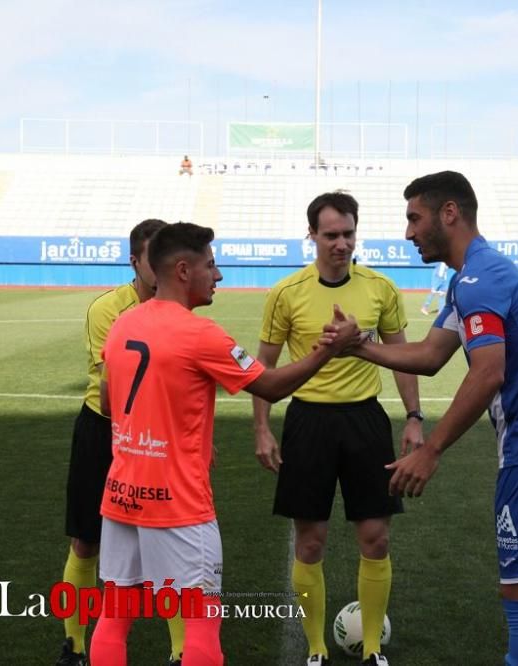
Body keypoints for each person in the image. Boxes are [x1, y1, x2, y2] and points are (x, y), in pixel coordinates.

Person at [349, 171, 518, 666]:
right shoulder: (476, 275)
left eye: (413, 218)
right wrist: (358, 346)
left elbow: (488, 373)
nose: (407, 232)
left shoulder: (478, 280)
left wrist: (431, 449)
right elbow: (429, 356)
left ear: (449, 213)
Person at [91, 222, 361, 666]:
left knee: (116, 612)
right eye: (211, 266)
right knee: (201, 620)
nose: (218, 276)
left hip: (121, 494)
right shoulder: (201, 334)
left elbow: (107, 400)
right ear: (183, 270)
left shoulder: (123, 324)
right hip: (177, 500)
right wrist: (327, 350)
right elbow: (270, 386)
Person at [253, 191, 422, 666]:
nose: (341, 243)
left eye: (348, 233)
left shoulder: (380, 288)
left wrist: (413, 417)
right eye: (331, 235)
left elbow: (403, 358)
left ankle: (372, 651)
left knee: (377, 537)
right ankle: (315, 650)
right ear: (312, 235)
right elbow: (263, 369)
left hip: (365, 421)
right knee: (311, 541)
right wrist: (262, 429)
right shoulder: (287, 293)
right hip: (308, 422)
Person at [56, 219, 185, 666]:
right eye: (156, 258)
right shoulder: (107, 309)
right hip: (105, 434)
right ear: (135, 262)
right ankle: (74, 645)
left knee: (173, 543)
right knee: (86, 542)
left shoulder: (181, 307)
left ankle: (181, 650)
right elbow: (118, 393)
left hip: (159, 437)